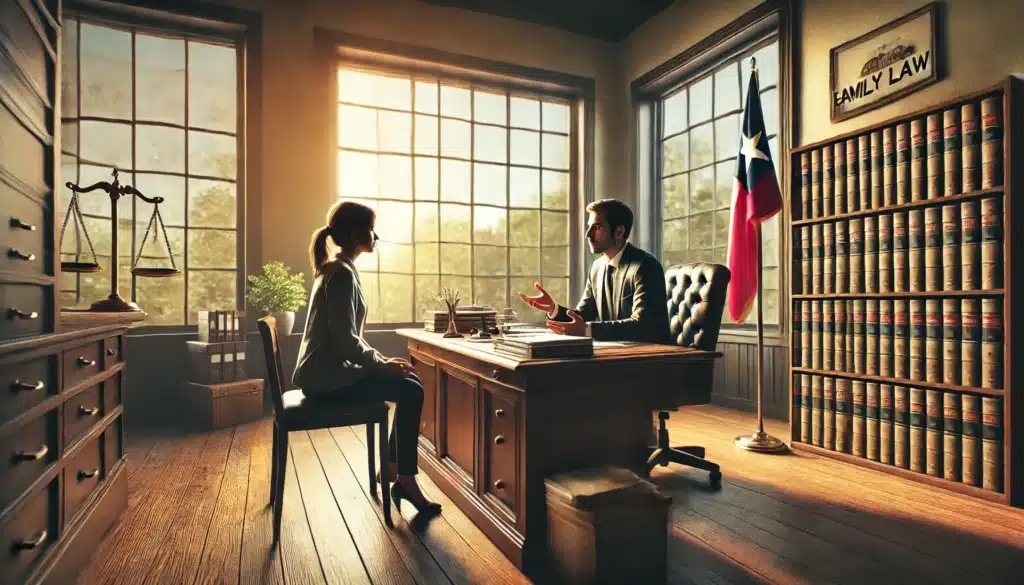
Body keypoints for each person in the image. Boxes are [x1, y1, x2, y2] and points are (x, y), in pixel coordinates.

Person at [293, 200, 441, 517]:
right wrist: (381, 362)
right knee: (410, 388)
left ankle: (392, 468)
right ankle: (404, 477)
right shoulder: (341, 274)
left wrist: (383, 361)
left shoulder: (340, 268)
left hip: (329, 373)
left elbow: (349, 340)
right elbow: (346, 341)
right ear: (356, 233)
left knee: (408, 378)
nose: (376, 236)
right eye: (371, 229)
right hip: (324, 381)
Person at [519, 198, 670, 343]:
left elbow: (642, 326)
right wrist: (553, 308)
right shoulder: (597, 268)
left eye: (596, 227)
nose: (588, 234)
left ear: (618, 232)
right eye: (589, 226)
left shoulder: (646, 266)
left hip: (652, 361)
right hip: (616, 357)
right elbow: (582, 317)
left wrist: (587, 330)